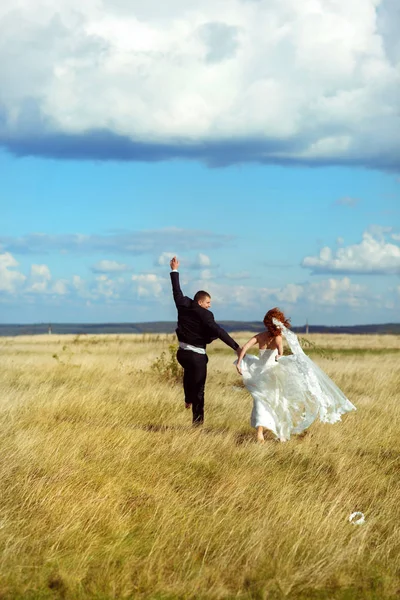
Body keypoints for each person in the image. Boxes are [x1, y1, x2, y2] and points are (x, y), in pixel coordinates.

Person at [236, 307, 356, 443]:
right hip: (273, 374)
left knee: (261, 400)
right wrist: (280, 358)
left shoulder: (259, 336)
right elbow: (280, 354)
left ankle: (261, 432)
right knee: (276, 402)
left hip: (260, 373)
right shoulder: (278, 338)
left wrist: (240, 363)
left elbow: (244, 347)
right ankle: (275, 432)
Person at [170, 256, 241, 425]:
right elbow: (219, 331)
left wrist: (174, 270)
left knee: (188, 374)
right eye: (208, 302)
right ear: (201, 302)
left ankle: (188, 398)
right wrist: (236, 347)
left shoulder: (182, 303)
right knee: (200, 390)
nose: (210, 305)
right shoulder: (206, 314)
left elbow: (176, 290)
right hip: (197, 356)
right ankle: (198, 424)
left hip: (182, 354)